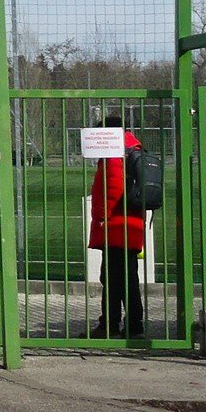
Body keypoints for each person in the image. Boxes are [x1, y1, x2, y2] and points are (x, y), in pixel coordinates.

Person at [87, 115, 147, 339]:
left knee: (113, 277)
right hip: (130, 222)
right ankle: (131, 325)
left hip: (116, 223)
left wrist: (102, 216)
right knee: (127, 276)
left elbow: (113, 186)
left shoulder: (115, 151)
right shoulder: (133, 148)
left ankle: (112, 325)